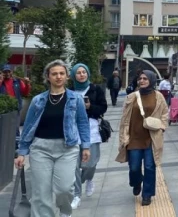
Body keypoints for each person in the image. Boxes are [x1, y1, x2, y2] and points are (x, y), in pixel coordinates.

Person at [14, 60, 90, 217]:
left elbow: (83, 123)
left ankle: (65, 211)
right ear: (48, 77)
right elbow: (28, 127)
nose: (58, 76)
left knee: (64, 188)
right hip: (41, 149)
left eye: (62, 73)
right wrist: (22, 152)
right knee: (41, 192)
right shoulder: (38, 100)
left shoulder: (75, 99)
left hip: (67, 149)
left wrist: (86, 146)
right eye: (54, 74)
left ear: (67, 77)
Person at [115, 71, 168, 206]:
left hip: (151, 138)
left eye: (145, 78)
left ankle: (147, 194)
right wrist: (123, 136)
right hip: (134, 138)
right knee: (134, 167)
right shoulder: (132, 97)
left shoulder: (158, 96)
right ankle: (136, 182)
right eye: (140, 78)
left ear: (151, 80)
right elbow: (124, 118)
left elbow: (164, 114)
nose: (142, 81)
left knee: (150, 167)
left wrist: (162, 127)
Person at [69, 63, 107, 210]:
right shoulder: (69, 91)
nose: (81, 75)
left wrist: (90, 107)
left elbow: (103, 108)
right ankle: (76, 195)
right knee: (74, 166)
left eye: (84, 72)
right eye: (78, 73)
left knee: (91, 163)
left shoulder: (95, 89)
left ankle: (89, 178)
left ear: (88, 74)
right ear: (74, 75)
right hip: (73, 130)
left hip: (91, 129)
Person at [1, 64, 31, 139]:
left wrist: (27, 84)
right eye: (5, 72)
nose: (7, 73)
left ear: (11, 72)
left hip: (16, 109)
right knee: (3, 128)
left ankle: (16, 145)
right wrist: (1, 80)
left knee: (15, 128)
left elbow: (25, 93)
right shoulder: (1, 82)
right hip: (3, 110)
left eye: (8, 71)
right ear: (2, 73)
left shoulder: (18, 81)